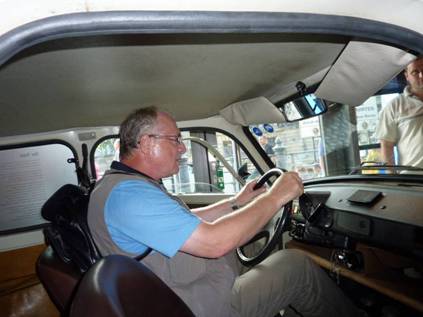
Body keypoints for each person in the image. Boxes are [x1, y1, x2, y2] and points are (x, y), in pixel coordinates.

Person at [87, 106, 359, 317]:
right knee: (294, 266)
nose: (182, 148)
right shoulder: (130, 196)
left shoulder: (125, 187)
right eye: (175, 140)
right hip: (199, 306)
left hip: (188, 288)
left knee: (255, 253)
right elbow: (215, 243)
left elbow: (186, 222)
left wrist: (237, 203)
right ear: (147, 143)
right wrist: (277, 196)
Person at [376, 56, 423, 168]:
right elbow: (386, 146)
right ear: (407, 76)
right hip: (414, 180)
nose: (421, 75)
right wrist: (392, 179)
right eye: (415, 72)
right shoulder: (394, 106)